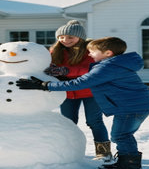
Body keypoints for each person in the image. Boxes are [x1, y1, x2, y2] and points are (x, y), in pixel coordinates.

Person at [16, 37, 149, 169]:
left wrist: (45, 85)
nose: (89, 54)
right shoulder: (115, 65)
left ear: (108, 53)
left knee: (121, 135)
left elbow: (79, 83)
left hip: (131, 107)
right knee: (122, 135)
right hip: (133, 106)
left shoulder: (108, 67)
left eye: (93, 51)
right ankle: (125, 162)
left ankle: (130, 167)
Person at [45, 20, 111, 161]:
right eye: (61, 37)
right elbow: (47, 66)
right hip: (68, 92)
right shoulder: (54, 51)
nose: (65, 40)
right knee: (68, 122)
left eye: (70, 37)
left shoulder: (91, 50)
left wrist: (66, 70)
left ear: (80, 37)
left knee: (94, 122)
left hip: (90, 92)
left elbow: (91, 68)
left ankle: (103, 153)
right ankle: (68, 151)